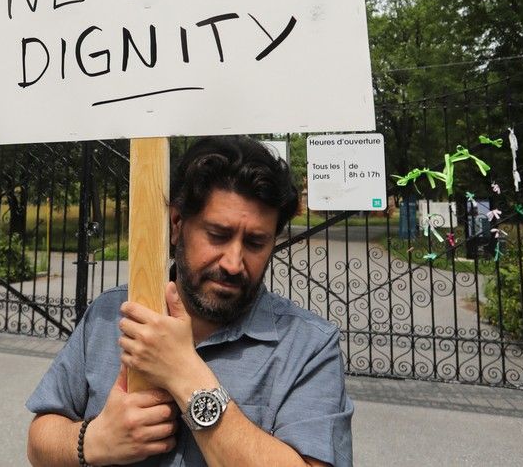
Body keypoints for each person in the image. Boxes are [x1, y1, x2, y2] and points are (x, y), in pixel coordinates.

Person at [25, 135, 353, 467]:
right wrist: (92, 441)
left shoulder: (309, 346)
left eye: (255, 242)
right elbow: (40, 439)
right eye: (218, 235)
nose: (233, 263)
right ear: (178, 224)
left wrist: (185, 373)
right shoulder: (112, 313)